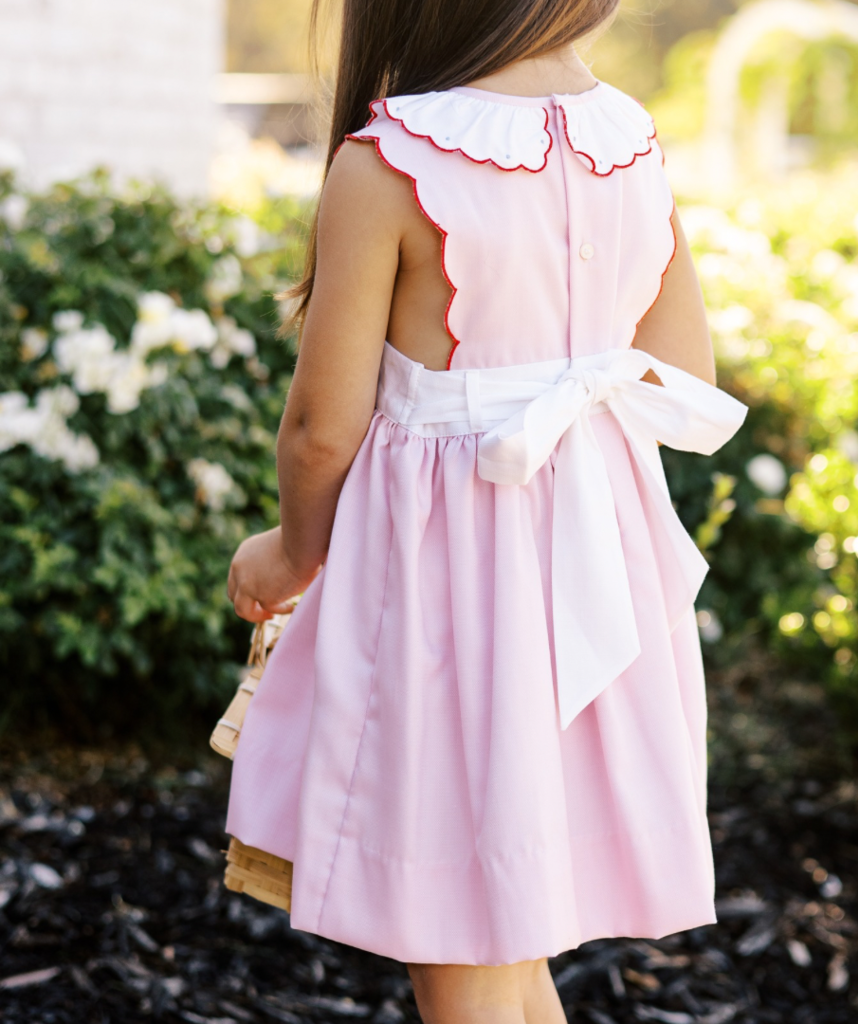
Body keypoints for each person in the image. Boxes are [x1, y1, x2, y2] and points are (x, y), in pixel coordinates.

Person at [224, 0, 748, 1020]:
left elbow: (321, 431)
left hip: (452, 580)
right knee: (502, 927)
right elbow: (684, 371)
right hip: (599, 558)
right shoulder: (629, 142)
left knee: (458, 927)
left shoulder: (390, 162)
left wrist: (289, 553)